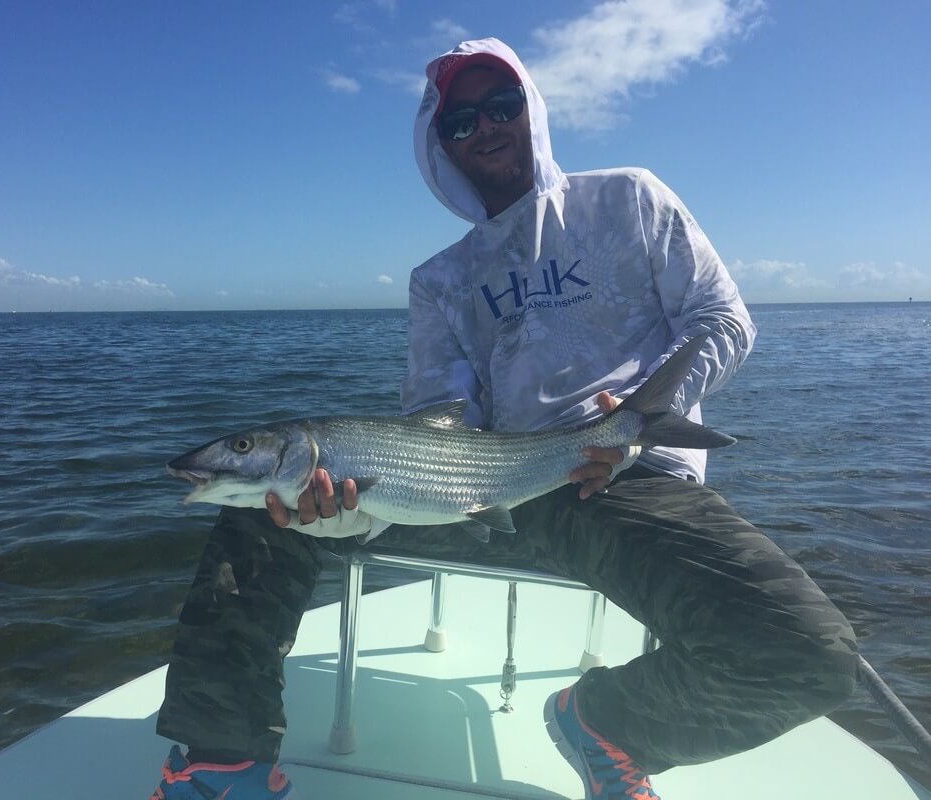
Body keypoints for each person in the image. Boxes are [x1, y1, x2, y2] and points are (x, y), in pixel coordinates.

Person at [149, 38, 857, 800]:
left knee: (809, 652)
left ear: (532, 111)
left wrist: (644, 416)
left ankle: (609, 722)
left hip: (624, 488)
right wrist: (332, 513)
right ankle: (221, 764)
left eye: (501, 106)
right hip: (479, 486)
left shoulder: (629, 200)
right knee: (263, 510)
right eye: (459, 122)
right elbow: (435, 430)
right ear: (439, 145)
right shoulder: (441, 280)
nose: (484, 128)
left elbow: (722, 319)